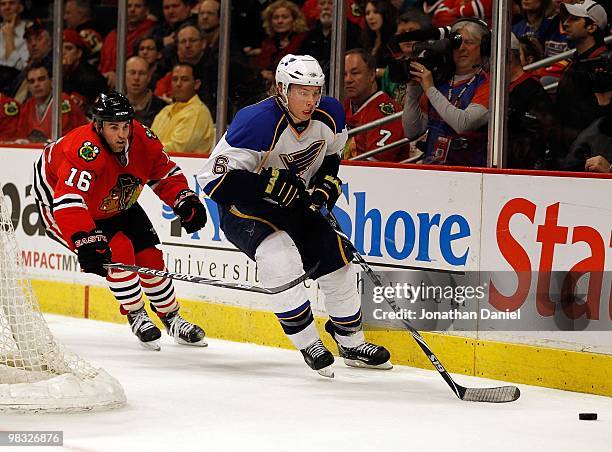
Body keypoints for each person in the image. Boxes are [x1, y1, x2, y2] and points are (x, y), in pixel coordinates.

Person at [196, 54, 392, 377]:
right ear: (282, 90)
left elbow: (332, 155)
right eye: (303, 92)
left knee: (336, 259)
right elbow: (213, 181)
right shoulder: (255, 122)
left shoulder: (331, 113)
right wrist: (267, 185)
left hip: (294, 203)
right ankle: (308, 342)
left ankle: (351, 340)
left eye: (316, 92)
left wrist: (327, 183)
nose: (311, 100)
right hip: (244, 208)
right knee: (279, 258)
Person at [32, 91, 208, 350]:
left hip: (113, 198)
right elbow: (69, 201)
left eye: (125, 126)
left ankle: (172, 317)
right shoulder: (85, 150)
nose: (122, 134)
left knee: (150, 257)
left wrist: (182, 198)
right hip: (62, 205)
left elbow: (164, 172)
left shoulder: (142, 138)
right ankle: (136, 314)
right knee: (118, 253)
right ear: (99, 125)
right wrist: (85, 239)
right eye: (114, 127)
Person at [402, 18, 491, 166]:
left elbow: (463, 124)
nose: (461, 48)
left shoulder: (489, 83)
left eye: (469, 43)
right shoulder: (439, 80)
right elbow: (412, 131)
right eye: (456, 43)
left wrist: (430, 89)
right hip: (434, 169)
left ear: (484, 48)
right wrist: (413, 90)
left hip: (469, 174)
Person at [549, 0, 610, 167]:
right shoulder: (577, 61)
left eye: (574, 19)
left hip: (588, 161)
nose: (566, 23)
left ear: (592, 27)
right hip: (566, 155)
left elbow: (603, 120)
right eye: (566, 18)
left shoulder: (604, 66)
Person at [343, 48, 410, 161]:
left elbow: (375, 166)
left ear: (372, 75)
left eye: (355, 73)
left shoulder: (386, 112)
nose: (348, 79)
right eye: (344, 74)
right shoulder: (343, 106)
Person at [507, 32, 555, 169]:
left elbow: (544, 137)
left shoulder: (533, 91)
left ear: (508, 56)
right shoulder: (492, 88)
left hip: (522, 173)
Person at [151, 63, 214, 154]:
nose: (178, 84)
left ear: (196, 84)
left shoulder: (198, 112)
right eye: (175, 79)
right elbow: (149, 139)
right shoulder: (165, 111)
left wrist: (146, 150)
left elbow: (177, 150)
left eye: (185, 80)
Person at [17, 62, 87, 142]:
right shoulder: (27, 106)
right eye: (32, 81)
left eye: (41, 79)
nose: (36, 84)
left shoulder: (64, 102)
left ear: (52, 81)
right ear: (28, 86)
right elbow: (21, 134)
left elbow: (70, 136)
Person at [98, 0, 156, 89]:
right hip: (105, 81)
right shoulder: (112, 35)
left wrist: (117, 74)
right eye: (129, 6)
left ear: (146, 10)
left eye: (137, 6)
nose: (132, 10)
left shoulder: (151, 32)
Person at [62, 29, 107, 112]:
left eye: (68, 48)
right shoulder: (58, 74)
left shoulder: (91, 79)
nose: (63, 53)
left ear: (79, 53)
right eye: (60, 49)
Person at [126, 56, 167, 127]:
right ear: (124, 76)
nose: (136, 78)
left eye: (142, 73)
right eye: (132, 73)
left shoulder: (162, 108)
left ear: (149, 77)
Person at [0, 0, 29, 70]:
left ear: (20, 7)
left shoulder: (29, 32)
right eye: (3, 4)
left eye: (11, 3)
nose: (7, 7)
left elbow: (22, 68)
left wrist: (9, 37)